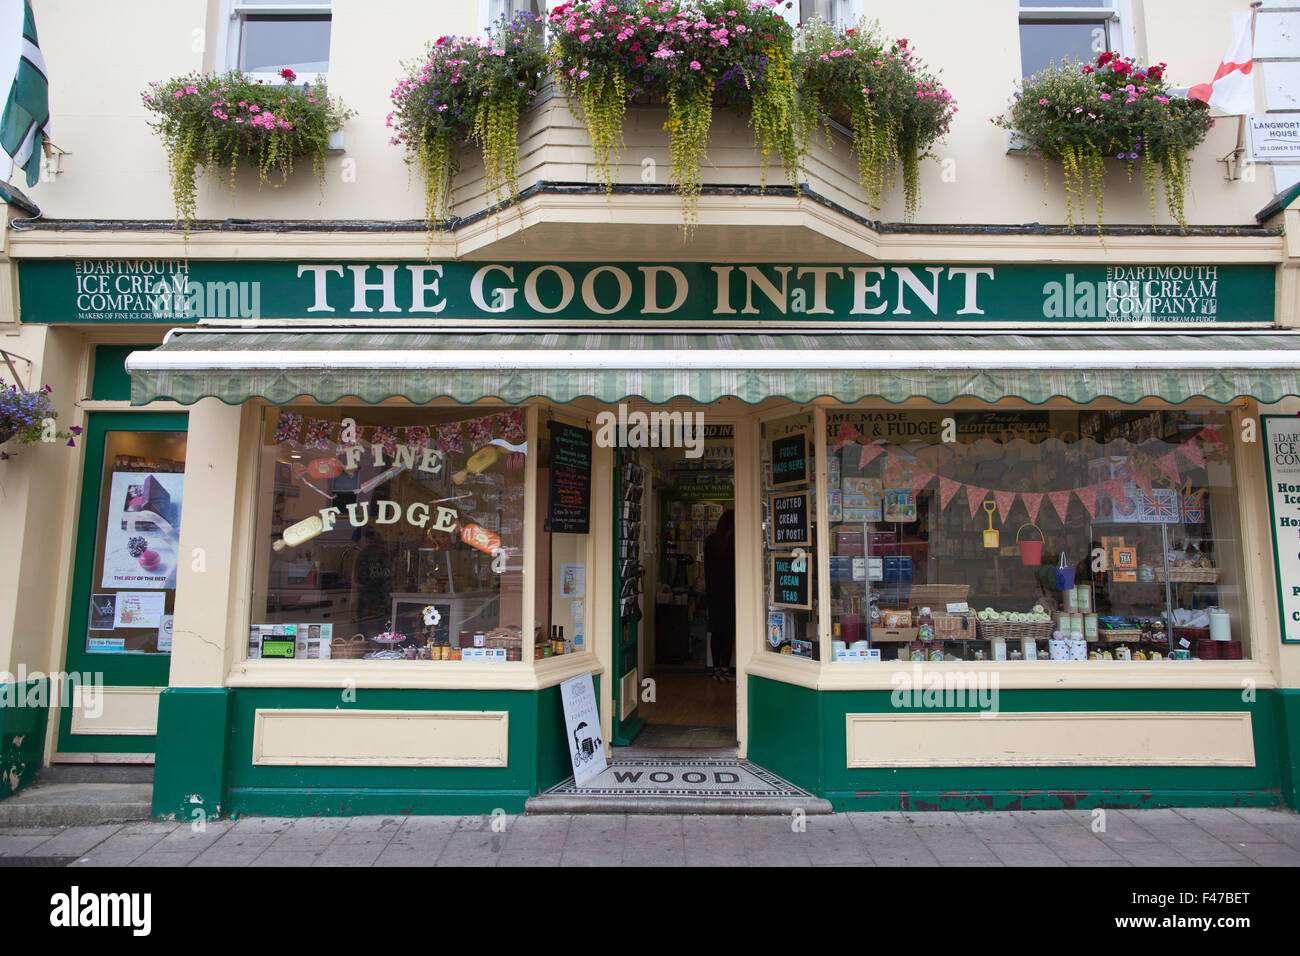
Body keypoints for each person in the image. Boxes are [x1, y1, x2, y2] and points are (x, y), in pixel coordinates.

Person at [703, 510, 736, 682]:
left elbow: (707, 569)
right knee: (729, 632)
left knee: (716, 632)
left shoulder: (711, 541)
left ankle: (715, 668)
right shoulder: (734, 543)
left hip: (714, 593)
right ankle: (725, 668)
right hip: (731, 593)